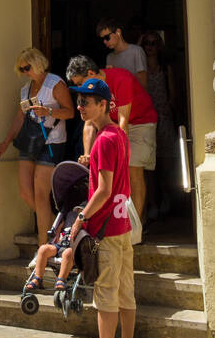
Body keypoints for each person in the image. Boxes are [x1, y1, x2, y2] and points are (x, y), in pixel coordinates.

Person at [69, 78, 136, 338]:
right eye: (79, 100)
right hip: (122, 226)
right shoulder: (118, 134)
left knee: (106, 296)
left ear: (103, 105)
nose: (80, 105)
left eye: (87, 101)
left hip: (107, 229)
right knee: (126, 295)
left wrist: (81, 218)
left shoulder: (105, 140)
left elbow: (105, 189)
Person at [0, 48, 74, 252]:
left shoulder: (56, 84)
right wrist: (6, 142)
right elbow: (20, 117)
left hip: (51, 142)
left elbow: (70, 112)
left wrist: (49, 111)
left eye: (26, 67)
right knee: (26, 192)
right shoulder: (26, 89)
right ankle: (57, 226)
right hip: (29, 141)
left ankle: (42, 248)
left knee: (40, 194)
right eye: (21, 69)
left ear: (37, 63)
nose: (24, 72)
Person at [65, 55, 156, 219]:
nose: (79, 87)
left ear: (91, 73)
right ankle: (119, 220)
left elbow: (123, 121)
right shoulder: (90, 90)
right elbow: (89, 123)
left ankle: (136, 227)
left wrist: (119, 153)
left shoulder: (121, 78)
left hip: (140, 121)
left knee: (133, 168)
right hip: (112, 125)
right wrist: (87, 154)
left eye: (79, 83)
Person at [138, 30, 180, 218]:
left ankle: (167, 199)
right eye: (147, 43)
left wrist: (168, 108)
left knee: (166, 163)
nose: (151, 47)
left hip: (163, 118)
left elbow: (173, 93)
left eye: (154, 43)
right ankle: (152, 203)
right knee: (148, 166)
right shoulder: (141, 68)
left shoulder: (165, 67)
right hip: (146, 119)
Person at [96, 18, 148, 88]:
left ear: (118, 32)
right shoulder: (109, 57)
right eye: (102, 39)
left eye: (107, 37)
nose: (104, 41)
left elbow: (142, 85)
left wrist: (118, 74)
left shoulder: (136, 51)